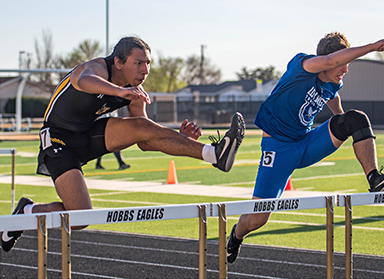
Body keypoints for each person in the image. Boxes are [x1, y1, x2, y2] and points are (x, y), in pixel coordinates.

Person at [1, 36, 245, 252]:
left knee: (140, 125)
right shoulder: (96, 68)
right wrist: (118, 91)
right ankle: (27, 211)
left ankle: (214, 154)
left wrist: (180, 137)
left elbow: (144, 140)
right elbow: (83, 81)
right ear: (118, 62)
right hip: (58, 138)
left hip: (88, 134)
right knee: (79, 217)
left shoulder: (134, 89)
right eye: (138, 63)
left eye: (148, 63)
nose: (145, 70)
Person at [226, 32, 384, 264]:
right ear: (330, 60)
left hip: (306, 142)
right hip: (279, 150)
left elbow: (333, 99)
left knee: (356, 118)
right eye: (342, 64)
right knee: (258, 219)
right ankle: (236, 235)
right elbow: (330, 62)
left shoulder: (335, 79)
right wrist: (371, 47)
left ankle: (375, 179)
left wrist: (345, 125)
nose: (345, 70)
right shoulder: (303, 65)